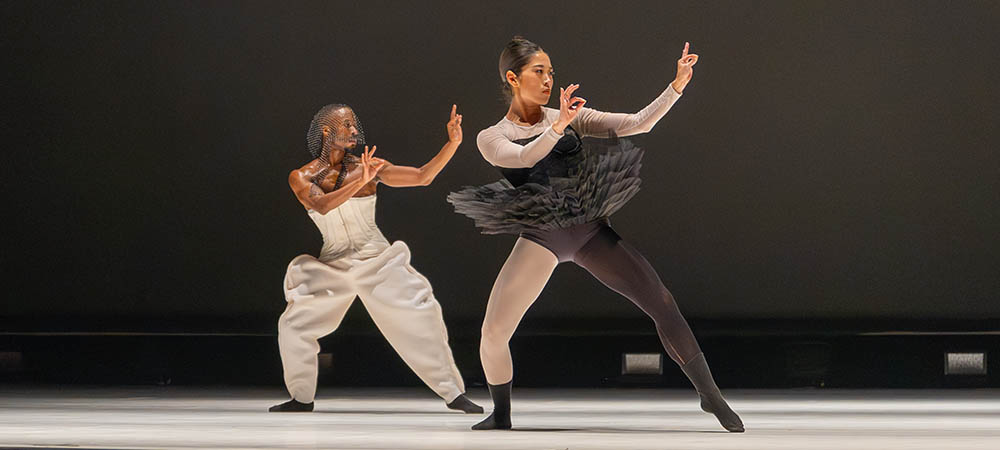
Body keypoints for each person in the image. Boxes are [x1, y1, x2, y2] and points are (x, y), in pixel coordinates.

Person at [448, 38, 743, 431]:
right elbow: (524, 158)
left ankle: (710, 395)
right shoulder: (492, 135)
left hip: (588, 232)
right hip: (541, 237)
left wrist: (677, 85)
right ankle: (500, 413)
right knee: (493, 332)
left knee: (662, 301)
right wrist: (557, 125)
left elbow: (640, 122)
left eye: (551, 71)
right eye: (539, 71)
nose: (549, 79)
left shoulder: (570, 117)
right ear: (513, 78)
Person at [270, 104, 482, 414]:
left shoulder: (371, 165)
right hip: (332, 265)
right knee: (293, 325)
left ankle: (453, 393)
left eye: (354, 125)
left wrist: (452, 144)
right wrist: (359, 181)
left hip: (377, 259)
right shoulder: (301, 176)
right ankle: (301, 397)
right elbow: (323, 205)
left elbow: (423, 177)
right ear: (328, 131)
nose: (354, 131)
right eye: (347, 125)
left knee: (423, 315)